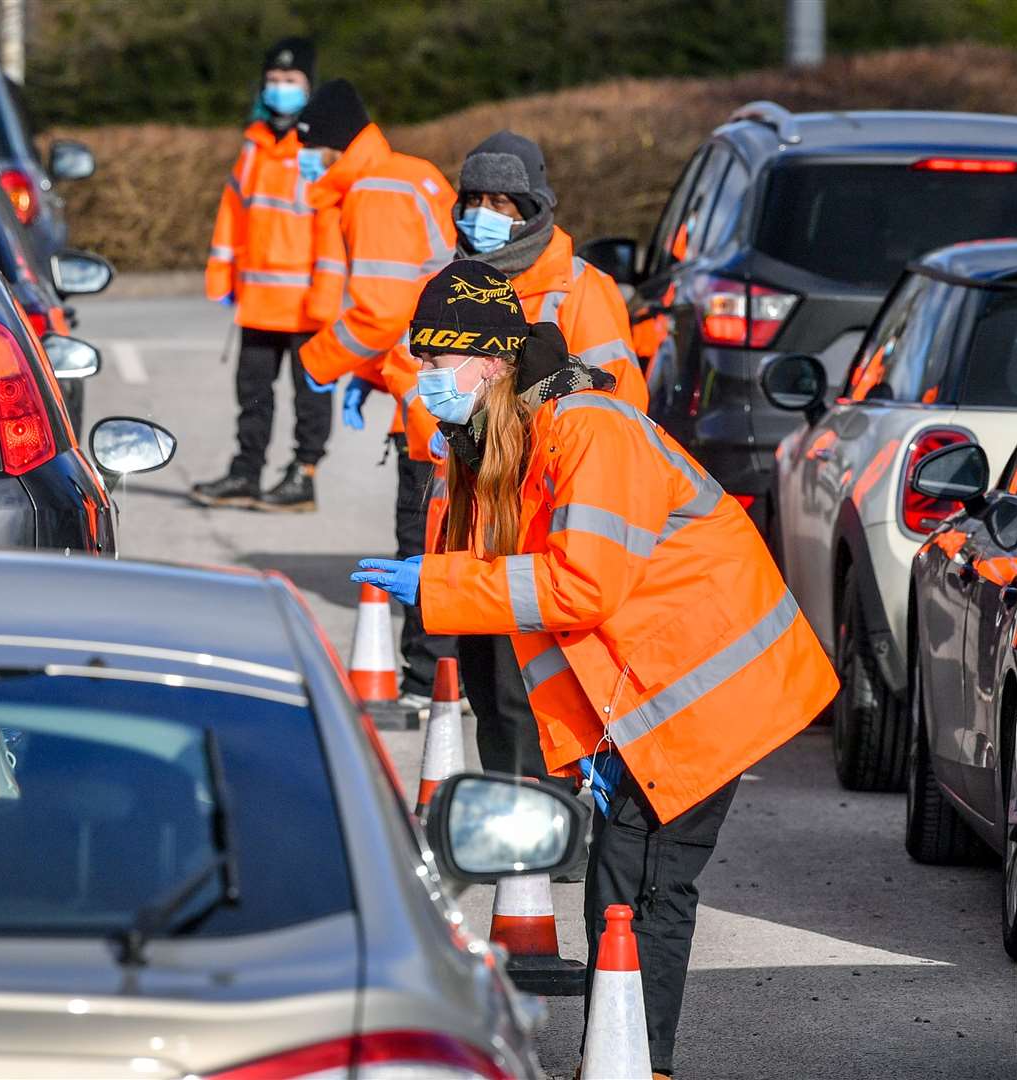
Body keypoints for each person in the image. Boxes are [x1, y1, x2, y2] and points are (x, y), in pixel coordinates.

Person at [353, 260, 837, 1079]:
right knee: (622, 872)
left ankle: (635, 1060)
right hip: (657, 693)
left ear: (491, 362)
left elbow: (581, 585)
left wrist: (434, 585)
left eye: (435, 366)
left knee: (641, 883)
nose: (422, 381)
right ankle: (626, 1056)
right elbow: (536, 608)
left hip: (706, 688)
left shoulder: (588, 431)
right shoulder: (521, 439)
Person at [386, 129, 648, 778]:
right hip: (469, 505)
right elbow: (412, 366)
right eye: (474, 199)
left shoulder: (578, 288)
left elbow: (621, 404)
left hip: (546, 514)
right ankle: (513, 805)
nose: (485, 215)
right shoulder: (449, 280)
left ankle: (546, 811)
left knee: (536, 687)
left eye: (504, 203)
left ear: (534, 208)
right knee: (488, 681)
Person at [293, 78, 458, 709]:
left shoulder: (374, 194)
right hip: (430, 378)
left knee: (424, 535)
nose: (305, 161)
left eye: (309, 148)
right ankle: (444, 672)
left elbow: (383, 311)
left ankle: (429, 682)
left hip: (427, 394)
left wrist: (323, 362)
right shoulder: (405, 174)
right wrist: (366, 376)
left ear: (332, 145)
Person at [192, 37, 345, 512]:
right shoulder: (254, 145)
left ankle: (303, 475)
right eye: (274, 80)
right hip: (258, 299)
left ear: (309, 86)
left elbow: (333, 223)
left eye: (291, 80)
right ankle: (246, 472)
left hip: (308, 301)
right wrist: (221, 275)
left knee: (310, 396)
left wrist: (328, 292)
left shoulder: (322, 147)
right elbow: (232, 214)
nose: (281, 88)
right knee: (253, 393)